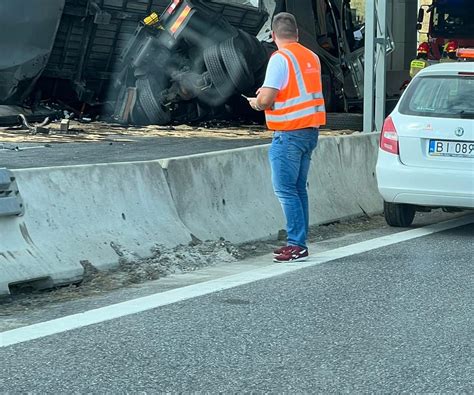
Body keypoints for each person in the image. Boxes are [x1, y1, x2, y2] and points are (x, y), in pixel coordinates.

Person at [246, 12, 326, 263]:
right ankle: (299, 242)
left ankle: (296, 244)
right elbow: (297, 90)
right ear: (297, 34)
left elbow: (267, 98)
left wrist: (256, 103)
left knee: (285, 190)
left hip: (289, 133)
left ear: (272, 35)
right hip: (309, 131)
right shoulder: (311, 56)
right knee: (298, 189)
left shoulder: (280, 59)